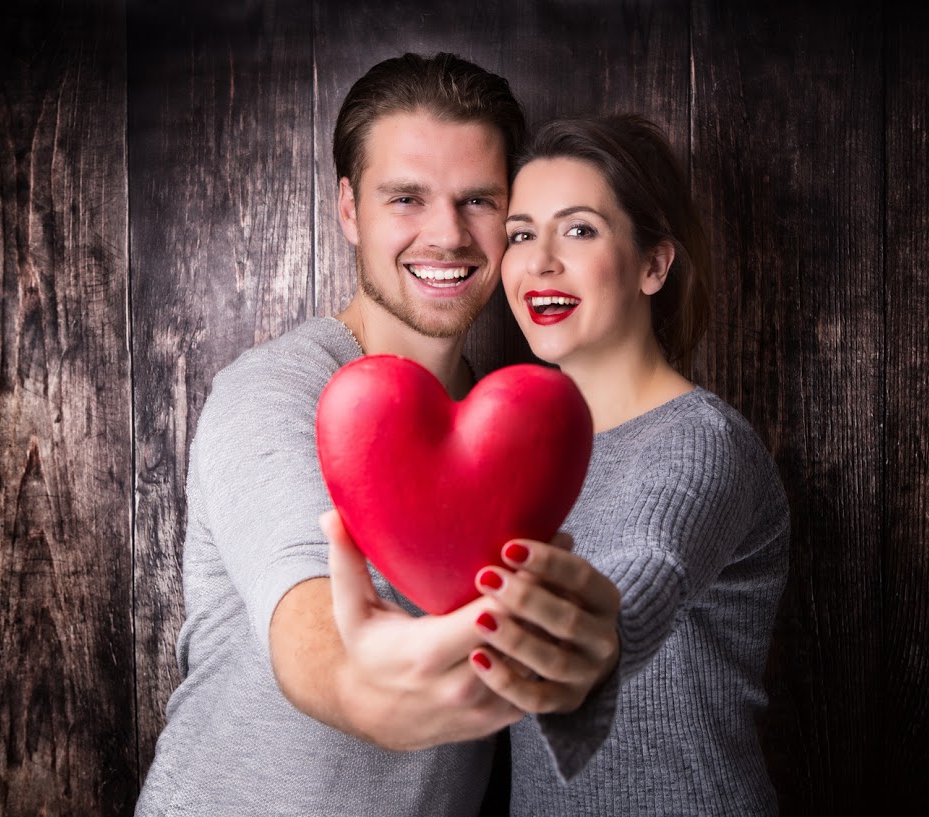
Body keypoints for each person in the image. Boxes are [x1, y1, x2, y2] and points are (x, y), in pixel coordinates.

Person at [136, 53, 622, 816]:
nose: (448, 235)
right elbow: (311, 632)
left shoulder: (531, 437)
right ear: (349, 209)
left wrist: (584, 664)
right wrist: (369, 684)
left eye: (478, 200)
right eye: (405, 198)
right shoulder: (268, 394)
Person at [469, 115, 791, 815]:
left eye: (579, 229)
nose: (540, 260)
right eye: (521, 233)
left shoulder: (706, 442)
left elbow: (655, 564)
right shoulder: (516, 460)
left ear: (654, 264)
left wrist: (602, 635)